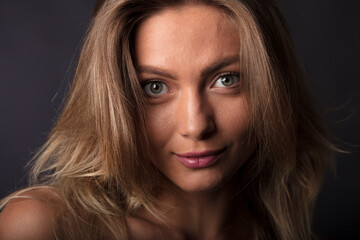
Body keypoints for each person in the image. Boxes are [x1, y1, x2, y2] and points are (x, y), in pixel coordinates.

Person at [0, 0, 336, 239]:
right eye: (154, 87)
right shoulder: (48, 228)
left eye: (227, 80)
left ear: (273, 88)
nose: (196, 125)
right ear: (114, 99)